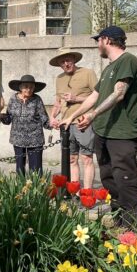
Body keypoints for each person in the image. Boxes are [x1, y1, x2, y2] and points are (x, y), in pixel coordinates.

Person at [60, 26, 137, 227]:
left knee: (124, 177)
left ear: (106, 40)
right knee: (108, 178)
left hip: (122, 134)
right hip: (103, 132)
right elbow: (94, 96)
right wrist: (72, 117)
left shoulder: (128, 61)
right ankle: (119, 219)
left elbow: (119, 93)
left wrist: (92, 115)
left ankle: (133, 226)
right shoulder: (108, 68)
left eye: (98, 40)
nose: (97, 44)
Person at [49, 48, 98, 188]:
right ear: (59, 64)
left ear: (74, 60)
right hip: (65, 124)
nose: (66, 64)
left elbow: (98, 96)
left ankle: (87, 192)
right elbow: (58, 102)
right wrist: (52, 117)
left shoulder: (88, 73)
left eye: (68, 60)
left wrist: (76, 98)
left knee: (86, 158)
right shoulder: (59, 78)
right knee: (71, 159)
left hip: (83, 123)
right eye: (62, 62)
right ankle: (75, 192)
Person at [5, 75, 51, 175]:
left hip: (35, 139)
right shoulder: (13, 99)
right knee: (20, 169)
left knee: (36, 170)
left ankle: (36, 189)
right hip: (17, 138)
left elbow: (44, 118)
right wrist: (1, 117)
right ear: (20, 87)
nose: (29, 89)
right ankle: (21, 189)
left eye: (31, 87)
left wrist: (53, 124)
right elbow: (8, 118)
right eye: (26, 86)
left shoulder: (37, 99)